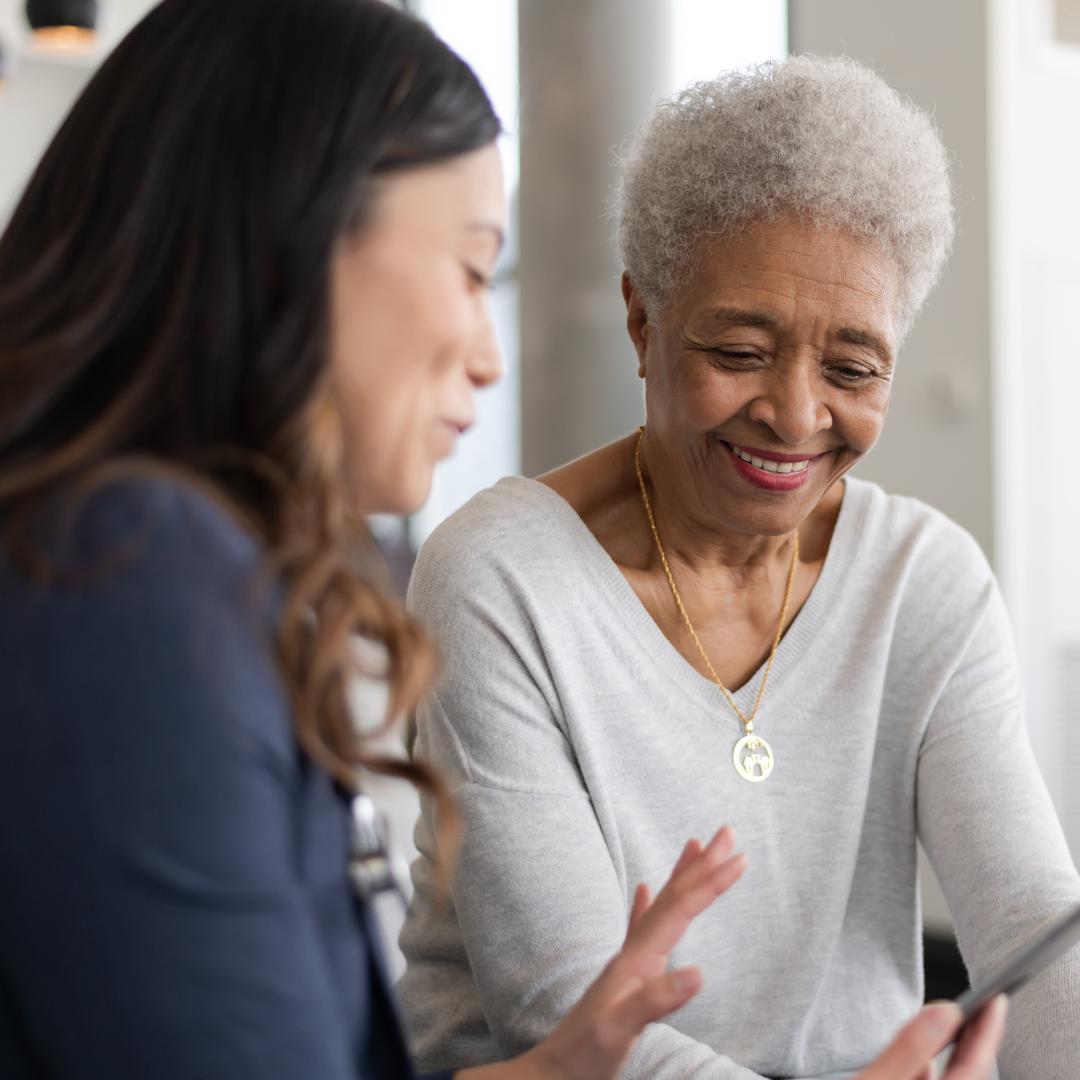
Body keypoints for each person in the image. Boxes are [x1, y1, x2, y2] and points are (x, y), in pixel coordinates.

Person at [0, 4, 1002, 1079]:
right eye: (474, 271)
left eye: (851, 367)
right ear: (287, 245)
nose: (488, 354)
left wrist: (554, 1071)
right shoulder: (132, 580)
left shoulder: (167, 567)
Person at [398, 57, 1079, 1079]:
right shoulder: (499, 582)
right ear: (643, 318)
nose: (797, 416)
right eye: (740, 350)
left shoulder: (923, 580)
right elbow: (568, 1016)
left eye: (853, 369)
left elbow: (1033, 931)